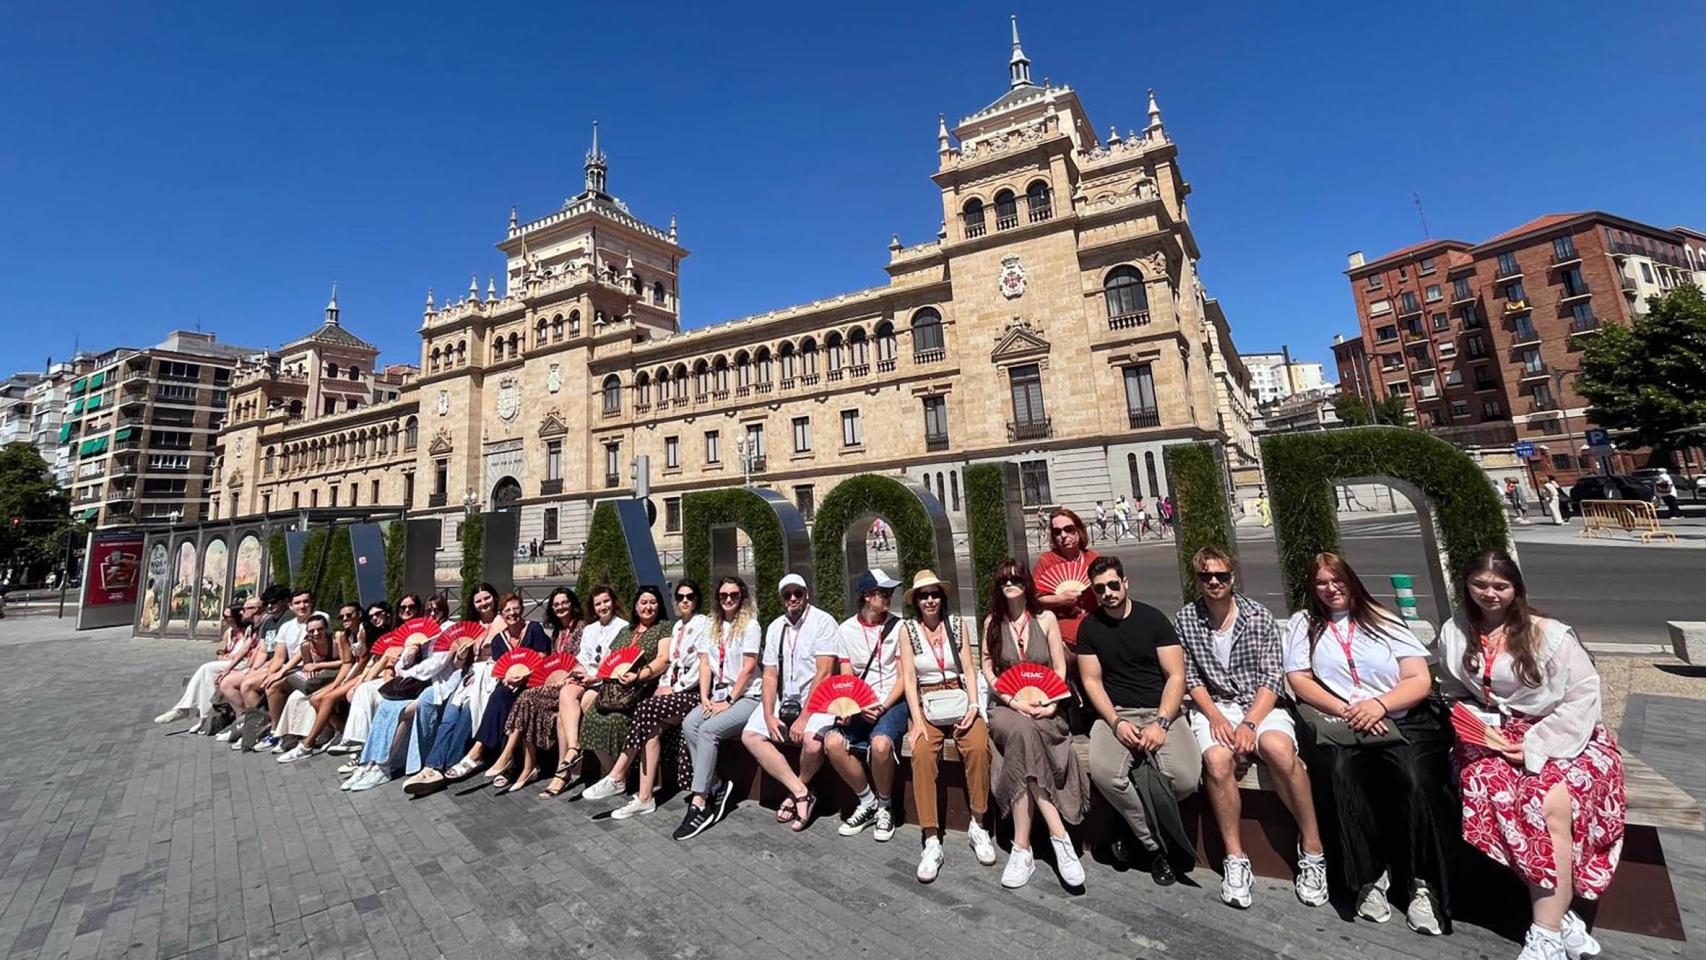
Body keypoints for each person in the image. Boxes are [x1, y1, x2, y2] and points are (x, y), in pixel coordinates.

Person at [1437, 552, 1623, 960]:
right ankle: (1557, 920)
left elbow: (1583, 695)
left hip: (1559, 733)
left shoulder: (1548, 634)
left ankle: (1546, 929)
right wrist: (1471, 719)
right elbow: (1452, 688)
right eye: (1480, 585)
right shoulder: (1455, 631)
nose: (1489, 593)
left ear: (1516, 589)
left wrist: (1537, 744)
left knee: (1553, 799)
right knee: (1509, 796)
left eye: (1500, 586)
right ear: (1466, 587)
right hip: (1489, 736)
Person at [1282, 552, 1453, 935]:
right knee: (1341, 774)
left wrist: (1379, 705)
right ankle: (1368, 878)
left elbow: (1417, 678)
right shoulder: (1305, 624)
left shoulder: (1383, 620)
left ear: (1352, 580)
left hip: (1397, 719)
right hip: (1344, 723)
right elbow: (1300, 679)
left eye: (1337, 580)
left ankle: (1423, 886)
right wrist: (1348, 710)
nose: (1330, 589)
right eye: (1321, 583)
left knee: (1416, 778)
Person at [1173, 547, 1327, 909]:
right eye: (1206, 577)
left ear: (1232, 578)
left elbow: (1272, 678)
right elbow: (1191, 678)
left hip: (1260, 704)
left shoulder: (1258, 615)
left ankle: (1313, 846)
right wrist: (1215, 717)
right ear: (1197, 580)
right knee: (1217, 760)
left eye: (1221, 576)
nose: (1214, 582)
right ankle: (1235, 857)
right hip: (1215, 706)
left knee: (1278, 749)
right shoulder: (1185, 620)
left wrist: (1249, 723)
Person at [1077, 556, 1202, 886]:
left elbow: (1176, 675)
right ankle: (1154, 847)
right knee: (1105, 773)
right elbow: (1091, 681)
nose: (1107, 593)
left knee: (1186, 779)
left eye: (1113, 585)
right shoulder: (1090, 627)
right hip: (1117, 713)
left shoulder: (1154, 620)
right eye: (1099, 588)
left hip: (1161, 710)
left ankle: (1128, 826)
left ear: (1125, 583)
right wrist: (1116, 722)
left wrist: (1161, 723)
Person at [981, 560, 1087, 889]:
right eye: (1003, 581)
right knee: (1022, 730)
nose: (1010, 584)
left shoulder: (1046, 618)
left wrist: (1052, 701)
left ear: (1027, 583)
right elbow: (988, 670)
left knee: (1024, 739)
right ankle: (1060, 837)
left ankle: (1021, 848)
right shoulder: (992, 623)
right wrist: (1014, 702)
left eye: (1015, 579)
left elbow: (1058, 667)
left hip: (1047, 708)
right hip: (1006, 707)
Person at [896, 570, 995, 883]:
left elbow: (969, 666)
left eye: (934, 594)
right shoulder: (907, 630)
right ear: (916, 601)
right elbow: (910, 679)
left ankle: (978, 824)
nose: (929, 600)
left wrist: (974, 706)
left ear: (942, 598)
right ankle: (931, 838)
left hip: (959, 697)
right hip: (928, 702)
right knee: (922, 752)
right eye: (923, 595)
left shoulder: (956, 625)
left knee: (979, 746)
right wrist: (916, 721)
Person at [585, 581, 711, 812]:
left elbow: (698, 665)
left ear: (697, 600)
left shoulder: (701, 624)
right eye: (680, 597)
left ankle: (617, 775)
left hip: (689, 692)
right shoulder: (676, 627)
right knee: (650, 729)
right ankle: (645, 798)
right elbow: (672, 665)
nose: (684, 600)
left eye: (689, 596)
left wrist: (672, 686)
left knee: (645, 710)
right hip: (664, 690)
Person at [739, 574, 839, 832]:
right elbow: (770, 675)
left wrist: (805, 717)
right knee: (750, 735)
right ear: (782, 599)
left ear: (807, 594)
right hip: (784, 700)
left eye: (798, 593)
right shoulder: (775, 628)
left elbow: (824, 672)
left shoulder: (823, 622)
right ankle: (801, 791)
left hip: (818, 699)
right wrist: (769, 715)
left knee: (813, 743)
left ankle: (796, 793)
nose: (793, 598)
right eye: (787, 595)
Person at [672, 576, 762, 840]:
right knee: (690, 723)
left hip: (746, 697)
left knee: (709, 730)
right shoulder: (712, 625)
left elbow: (747, 668)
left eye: (734, 594)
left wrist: (729, 701)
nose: (728, 599)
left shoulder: (751, 625)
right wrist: (704, 698)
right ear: (717, 598)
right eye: (723, 595)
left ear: (742, 596)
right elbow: (704, 663)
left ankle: (701, 801)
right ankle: (716, 784)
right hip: (718, 694)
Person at [822, 569, 908, 841]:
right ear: (868, 596)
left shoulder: (899, 626)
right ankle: (867, 801)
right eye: (885, 593)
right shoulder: (846, 629)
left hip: (891, 701)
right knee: (833, 742)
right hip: (861, 702)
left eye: (890, 593)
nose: (889, 598)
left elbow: (904, 677)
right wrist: (854, 706)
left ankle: (885, 805)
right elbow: (846, 675)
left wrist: (882, 706)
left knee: (881, 744)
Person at [532, 584, 630, 794]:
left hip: (606, 681)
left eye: (606, 601)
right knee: (567, 691)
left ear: (613, 602)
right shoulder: (590, 629)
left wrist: (593, 677)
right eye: (598, 603)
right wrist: (576, 673)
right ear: (593, 608)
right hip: (586, 677)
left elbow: (617, 662)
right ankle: (574, 748)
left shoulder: (623, 627)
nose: (603, 606)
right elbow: (582, 658)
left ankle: (564, 773)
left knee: (563, 717)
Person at [156, 597, 260, 729]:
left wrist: (231, 659)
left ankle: (190, 712)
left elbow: (249, 652)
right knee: (207, 676)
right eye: (224, 616)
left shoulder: (248, 631)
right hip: (228, 663)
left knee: (206, 669)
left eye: (227, 616)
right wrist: (222, 657)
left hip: (241, 664)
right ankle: (199, 715)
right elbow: (221, 651)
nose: (225, 619)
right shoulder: (228, 633)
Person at [1032, 508, 1098, 650]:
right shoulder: (1046, 560)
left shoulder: (1093, 559)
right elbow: (1032, 599)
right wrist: (1059, 599)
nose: (1063, 535)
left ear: (1079, 530)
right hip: (1060, 629)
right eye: (1057, 532)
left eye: (1069, 529)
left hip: (1093, 623)